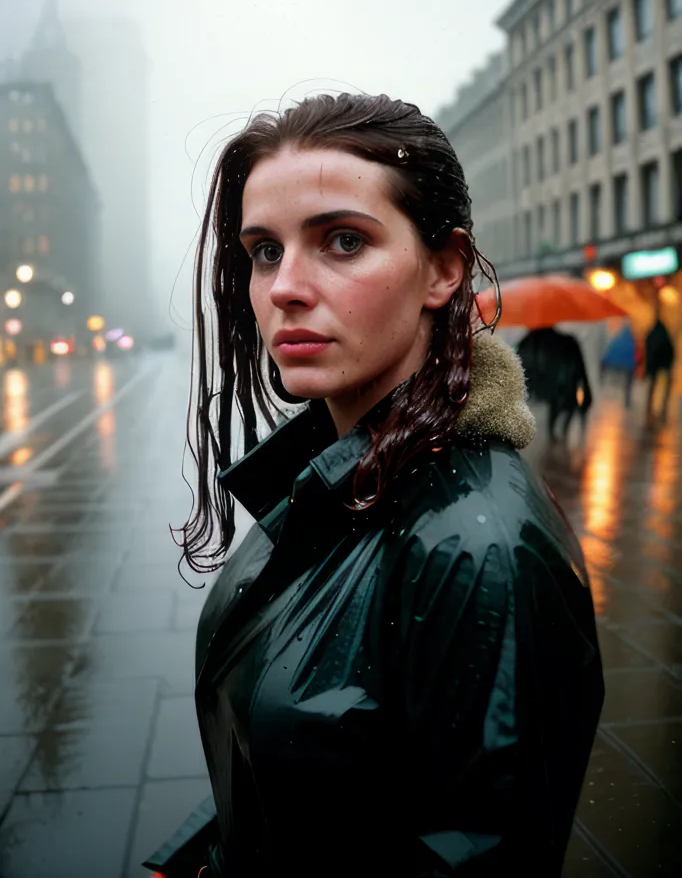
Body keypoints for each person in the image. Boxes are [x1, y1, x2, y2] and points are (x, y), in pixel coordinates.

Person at [144, 93, 604, 878]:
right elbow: (283, 773)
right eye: (263, 251)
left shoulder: (479, 550)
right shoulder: (332, 475)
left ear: (444, 269)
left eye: (343, 241)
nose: (285, 286)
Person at [516, 326, 593, 440]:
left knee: (557, 420)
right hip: (562, 391)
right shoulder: (568, 342)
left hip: (552, 392)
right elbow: (580, 370)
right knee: (562, 418)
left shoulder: (529, 342)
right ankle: (559, 439)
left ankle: (557, 439)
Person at [644, 307, 676, 423]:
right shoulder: (661, 332)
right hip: (661, 365)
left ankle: (652, 412)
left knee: (653, 388)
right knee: (658, 388)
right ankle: (658, 412)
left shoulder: (654, 332)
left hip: (656, 366)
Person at [600, 321, 640, 409]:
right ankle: (627, 401)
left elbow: (609, 353)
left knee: (626, 383)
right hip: (629, 367)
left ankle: (603, 385)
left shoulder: (619, 339)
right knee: (628, 384)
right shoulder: (632, 341)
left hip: (617, 365)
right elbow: (636, 356)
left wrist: (605, 361)